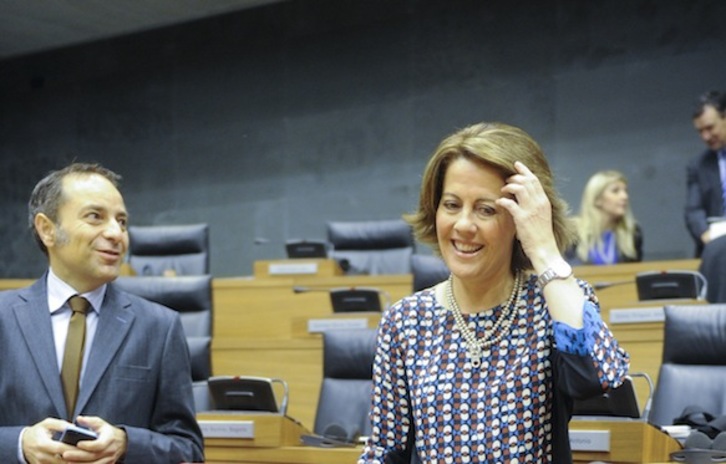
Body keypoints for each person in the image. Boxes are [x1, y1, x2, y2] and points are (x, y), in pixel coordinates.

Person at [358, 122, 630, 464]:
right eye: (452, 205)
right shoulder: (406, 321)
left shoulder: (554, 303)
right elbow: (385, 451)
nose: (463, 225)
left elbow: (599, 376)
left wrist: (544, 249)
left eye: (486, 209)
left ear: (522, 218)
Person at [0, 163, 204, 463]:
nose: (116, 233)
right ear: (47, 229)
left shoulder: (159, 327)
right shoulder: (4, 317)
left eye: (121, 221)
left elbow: (189, 449)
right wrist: (18, 445)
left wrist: (126, 444)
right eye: (95, 217)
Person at [569, 170, 643, 265]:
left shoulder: (633, 232)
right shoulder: (573, 232)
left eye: (625, 191)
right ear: (597, 199)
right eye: (615, 191)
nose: (625, 196)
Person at [686, 90, 726, 257]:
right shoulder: (698, 165)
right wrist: (705, 234)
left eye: (710, 128)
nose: (706, 136)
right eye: (700, 131)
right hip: (716, 250)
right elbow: (693, 210)